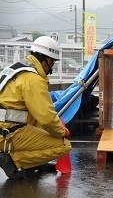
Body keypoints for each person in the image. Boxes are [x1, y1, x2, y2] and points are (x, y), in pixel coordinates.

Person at [0, 36, 72, 179]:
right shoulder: (33, 79)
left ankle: (33, 163)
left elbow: (37, 115)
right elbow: (46, 117)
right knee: (63, 145)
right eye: (53, 62)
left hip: (6, 129)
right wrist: (61, 131)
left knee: (37, 122)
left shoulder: (15, 69)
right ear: (47, 59)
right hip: (8, 133)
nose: (52, 67)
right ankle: (13, 160)